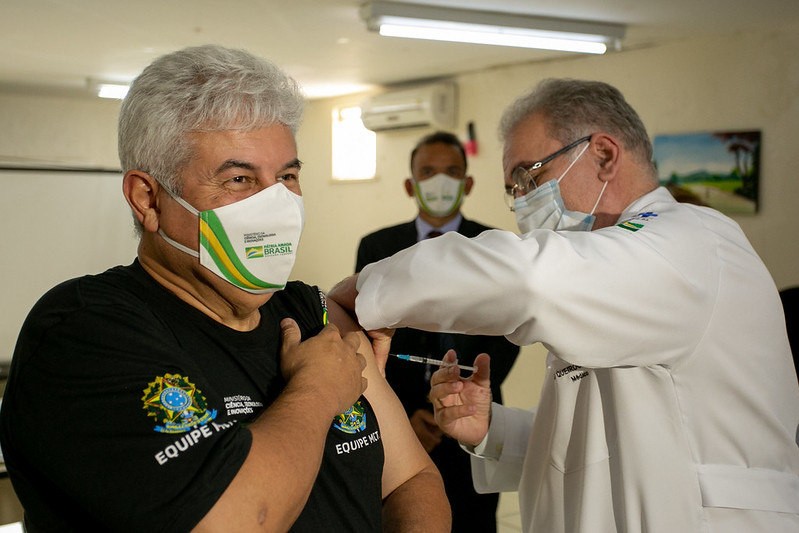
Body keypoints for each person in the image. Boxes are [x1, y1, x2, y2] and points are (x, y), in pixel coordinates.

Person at [0, 45, 450, 532]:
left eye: (287, 177)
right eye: (239, 179)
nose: (276, 203)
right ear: (147, 199)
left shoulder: (307, 310)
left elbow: (412, 480)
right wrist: (319, 390)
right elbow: (236, 522)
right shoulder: (83, 333)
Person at [329, 79, 799, 532]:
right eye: (513, 189)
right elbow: (601, 442)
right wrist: (493, 428)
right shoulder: (611, 268)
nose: (522, 202)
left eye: (529, 176)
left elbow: (528, 278)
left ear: (604, 155)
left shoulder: (688, 244)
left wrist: (363, 292)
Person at [355, 131, 519, 532]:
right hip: (400, 420)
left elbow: (507, 335)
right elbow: (369, 330)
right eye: (428, 172)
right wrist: (404, 414)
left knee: (473, 518)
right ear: (411, 184)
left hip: (473, 413)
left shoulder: (497, 246)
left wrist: (450, 404)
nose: (440, 181)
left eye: (451, 171)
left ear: (468, 183)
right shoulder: (378, 246)